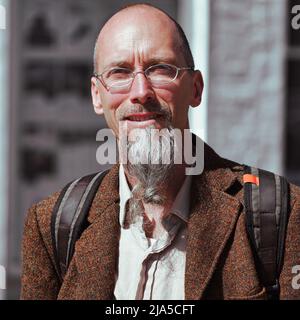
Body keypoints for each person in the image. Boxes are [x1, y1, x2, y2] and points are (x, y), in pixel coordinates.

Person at [20, 3, 300, 300]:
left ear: (195, 88)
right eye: (119, 72)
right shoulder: (52, 224)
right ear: (96, 96)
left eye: (160, 69)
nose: (141, 91)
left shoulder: (282, 215)